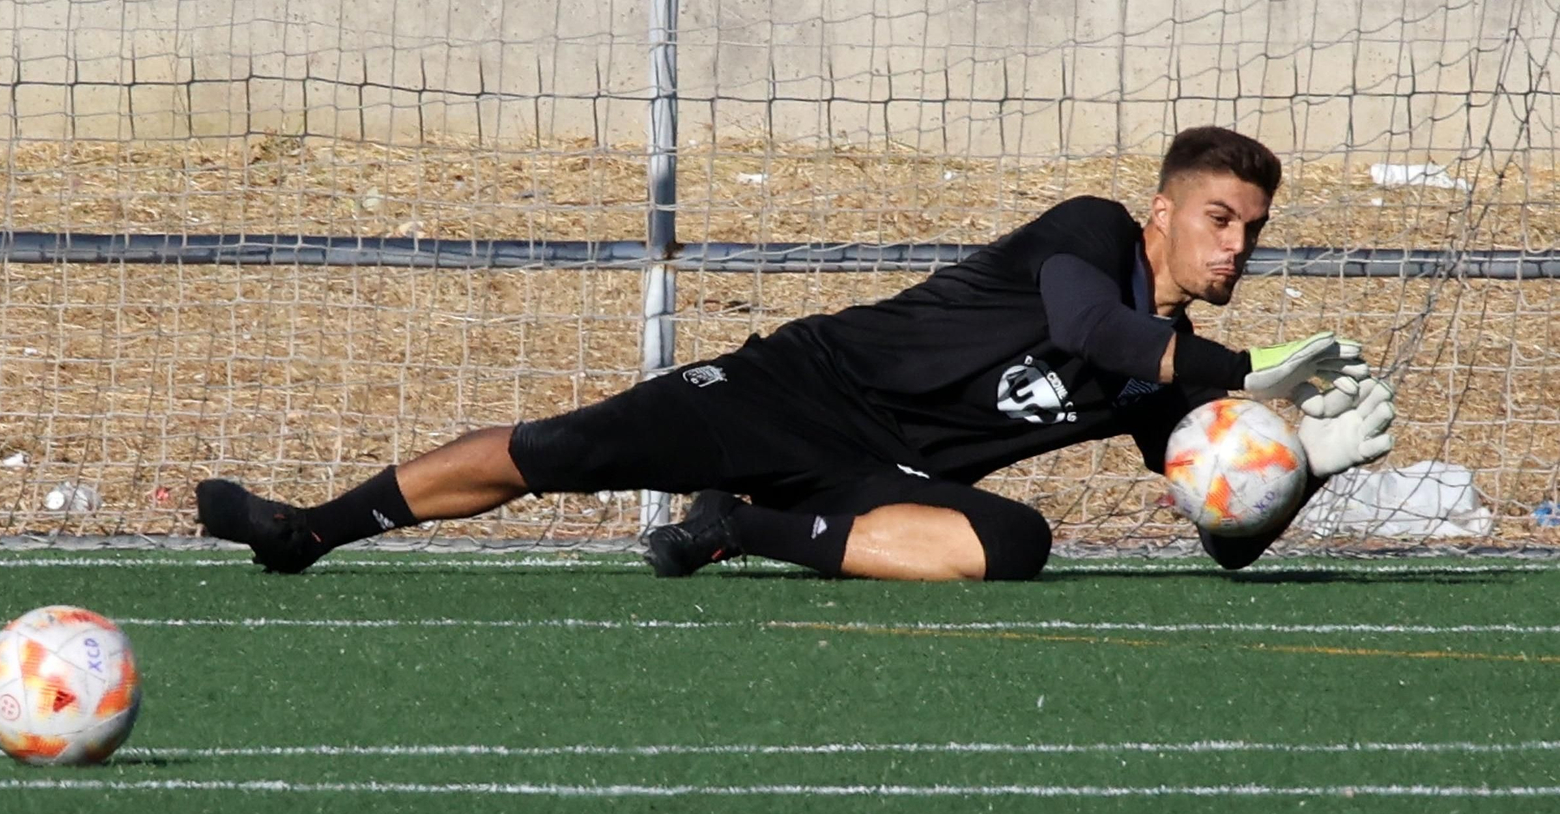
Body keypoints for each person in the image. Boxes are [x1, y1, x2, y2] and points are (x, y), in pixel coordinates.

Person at [196, 126, 1395, 581]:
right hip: (797, 388)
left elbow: (1219, 533)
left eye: (1251, 230)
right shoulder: (1090, 236)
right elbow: (1087, 329)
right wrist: (1247, 371)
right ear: (1162, 212)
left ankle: (743, 529)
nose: (1234, 245)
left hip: (880, 479)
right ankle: (308, 531)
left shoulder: (1166, 363)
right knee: (559, 451)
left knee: (1015, 544)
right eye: (1217, 218)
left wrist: (1297, 470)